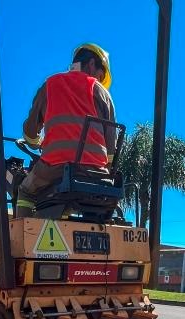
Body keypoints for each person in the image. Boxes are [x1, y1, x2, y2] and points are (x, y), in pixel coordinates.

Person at [17, 43, 117, 216]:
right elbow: (111, 146)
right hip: (95, 173)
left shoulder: (50, 84)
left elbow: (30, 132)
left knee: (25, 191)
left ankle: (21, 238)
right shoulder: (102, 93)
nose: (99, 81)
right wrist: (103, 171)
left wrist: (36, 143)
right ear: (92, 64)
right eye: (100, 76)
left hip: (53, 167)